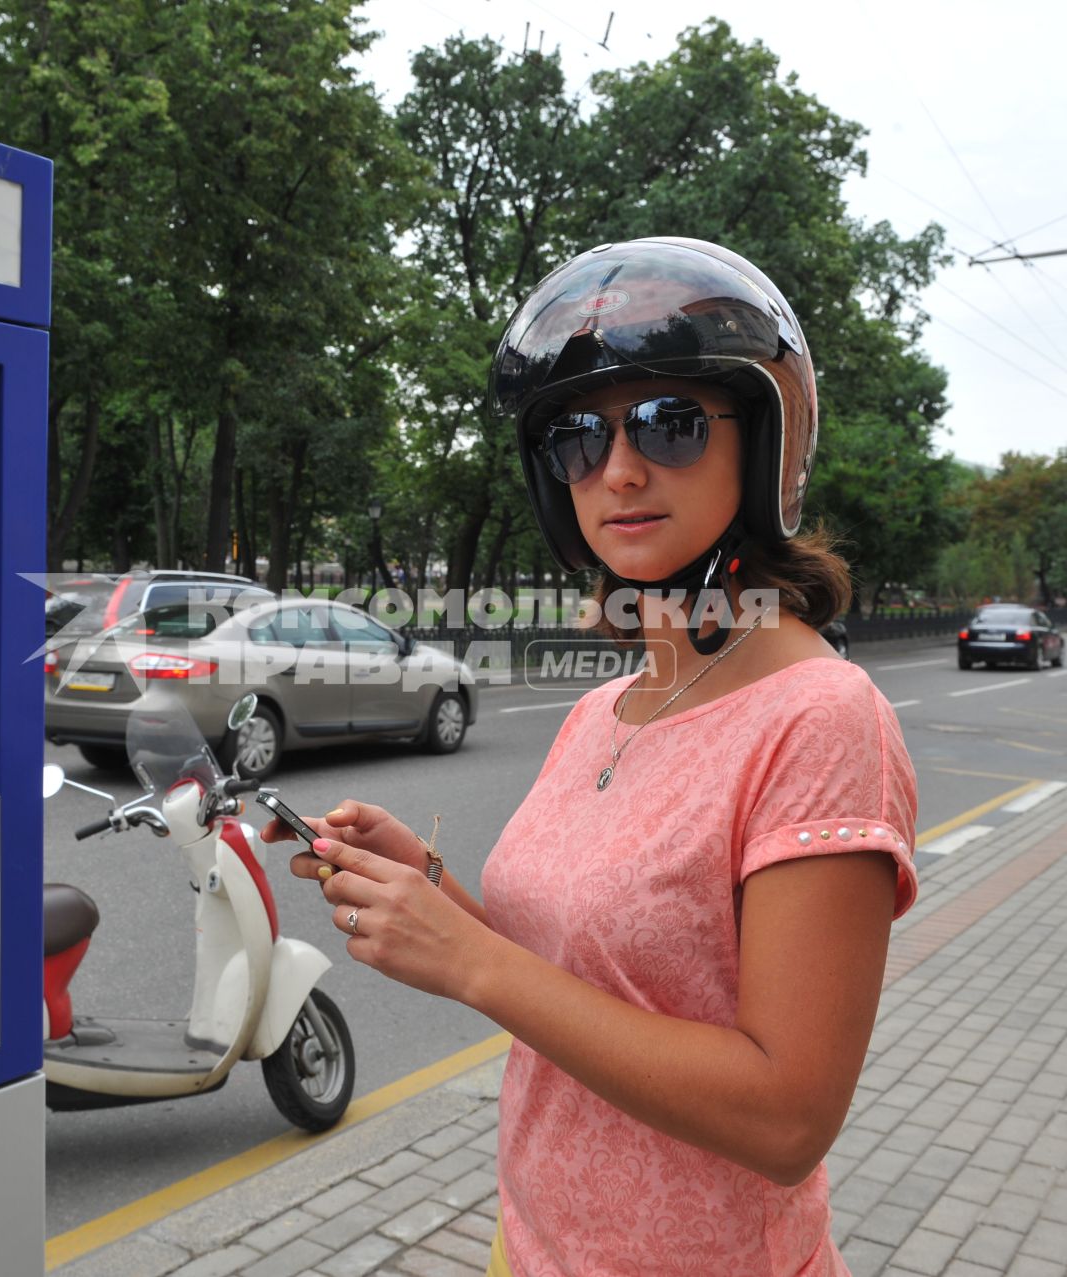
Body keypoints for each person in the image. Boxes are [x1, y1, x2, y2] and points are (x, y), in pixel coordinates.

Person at [262, 239, 918, 1276]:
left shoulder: (820, 716)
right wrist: (432, 895)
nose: (617, 469)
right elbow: (578, 976)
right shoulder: (607, 705)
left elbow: (788, 1114)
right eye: (576, 438)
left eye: (670, 422)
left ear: (765, 447)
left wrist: (473, 961)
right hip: (532, 1246)